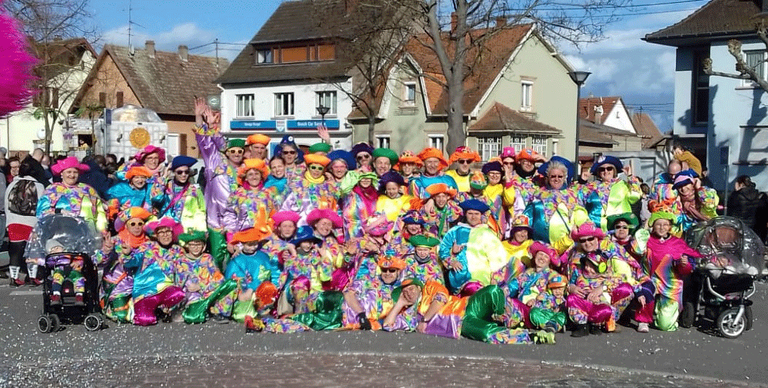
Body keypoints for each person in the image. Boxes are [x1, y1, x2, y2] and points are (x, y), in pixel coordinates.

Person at [193, 97, 245, 268]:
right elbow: (205, 144)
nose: (236, 154)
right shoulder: (215, 163)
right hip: (215, 221)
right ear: (227, 152)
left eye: (240, 151)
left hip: (235, 223)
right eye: (233, 151)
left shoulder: (245, 171)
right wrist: (200, 120)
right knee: (216, 258)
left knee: (236, 259)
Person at [636, 211, 700, 332]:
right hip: (650, 278)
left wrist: (683, 264)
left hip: (670, 282)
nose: (661, 227)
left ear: (670, 227)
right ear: (653, 226)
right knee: (645, 289)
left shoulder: (677, 243)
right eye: (658, 224)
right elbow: (635, 248)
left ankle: (662, 313)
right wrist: (644, 229)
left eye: (665, 224)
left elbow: (686, 270)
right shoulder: (646, 240)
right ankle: (643, 320)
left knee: (664, 325)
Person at [439, 199, 508, 296]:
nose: (473, 217)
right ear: (465, 215)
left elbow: (498, 259)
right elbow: (443, 249)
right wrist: (451, 260)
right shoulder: (455, 231)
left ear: (481, 216)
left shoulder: (488, 234)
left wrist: (495, 278)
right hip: (457, 282)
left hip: (480, 281)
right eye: (470, 213)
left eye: (476, 214)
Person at [125, 217, 186, 326]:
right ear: (156, 235)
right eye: (161, 232)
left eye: (168, 231)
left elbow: (182, 272)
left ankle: (165, 308)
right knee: (145, 320)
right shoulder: (147, 247)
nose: (165, 235)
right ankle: (143, 308)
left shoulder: (178, 250)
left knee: (179, 294)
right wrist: (127, 254)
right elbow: (132, 261)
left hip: (166, 290)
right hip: (146, 292)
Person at [98, 207, 152, 323]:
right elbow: (97, 262)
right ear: (126, 226)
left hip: (141, 287)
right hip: (119, 287)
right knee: (123, 316)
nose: (137, 227)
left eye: (140, 223)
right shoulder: (115, 241)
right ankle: (109, 306)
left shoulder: (149, 244)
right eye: (133, 224)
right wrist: (106, 251)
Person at [523, 156, 586, 252]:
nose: (556, 179)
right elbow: (526, 219)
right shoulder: (537, 195)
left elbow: (582, 220)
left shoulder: (573, 196)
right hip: (541, 249)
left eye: (560, 176)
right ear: (548, 178)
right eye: (553, 176)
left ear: (565, 177)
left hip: (567, 248)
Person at [220, 225, 280, 322]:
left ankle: (264, 311)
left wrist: (252, 288)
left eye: (255, 244)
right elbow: (232, 278)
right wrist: (241, 292)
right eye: (249, 245)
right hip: (243, 294)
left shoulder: (263, 256)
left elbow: (266, 274)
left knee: (269, 287)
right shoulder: (237, 260)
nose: (253, 247)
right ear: (243, 244)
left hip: (259, 291)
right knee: (242, 316)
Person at [36, 156, 107, 232]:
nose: (72, 175)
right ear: (61, 174)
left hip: (87, 235)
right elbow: (41, 213)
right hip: (59, 234)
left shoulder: (88, 190)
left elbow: (100, 212)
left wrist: (101, 232)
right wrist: (59, 211)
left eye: (75, 172)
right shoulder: (52, 190)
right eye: (69, 172)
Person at [5, 157, 45, 286]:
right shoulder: (38, 186)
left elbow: (7, 204)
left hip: (13, 222)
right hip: (31, 222)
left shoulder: (12, 185)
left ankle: (14, 277)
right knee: (32, 250)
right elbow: (42, 206)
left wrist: (8, 222)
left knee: (15, 251)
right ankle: (32, 276)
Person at [580, 155, 642, 231]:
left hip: (618, 229)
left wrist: (630, 177)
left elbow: (635, 197)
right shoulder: (591, 187)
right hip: (596, 228)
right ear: (599, 172)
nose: (606, 171)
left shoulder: (623, 185)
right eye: (602, 169)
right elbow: (577, 200)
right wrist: (582, 181)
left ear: (614, 171)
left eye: (609, 168)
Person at [342, 256, 404, 330]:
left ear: (398, 272)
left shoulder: (402, 290)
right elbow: (348, 294)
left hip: (379, 330)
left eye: (392, 270)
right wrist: (361, 315)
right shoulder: (368, 283)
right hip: (350, 322)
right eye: (384, 270)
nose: (387, 273)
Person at [280, 153, 337, 227]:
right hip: (298, 228)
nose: (316, 170)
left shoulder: (328, 188)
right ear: (308, 168)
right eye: (313, 167)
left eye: (320, 168)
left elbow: (333, 210)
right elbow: (284, 208)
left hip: (321, 229)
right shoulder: (295, 185)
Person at [161, 155, 206, 233]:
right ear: (174, 172)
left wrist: (201, 231)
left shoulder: (195, 190)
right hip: (168, 230)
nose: (183, 175)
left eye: (186, 172)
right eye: (179, 172)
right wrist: (164, 176)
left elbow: (201, 212)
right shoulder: (166, 187)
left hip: (187, 230)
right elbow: (156, 198)